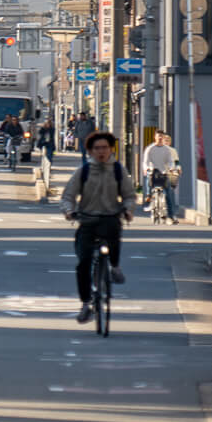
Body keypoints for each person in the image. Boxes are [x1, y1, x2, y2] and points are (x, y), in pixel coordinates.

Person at [60, 130, 136, 321]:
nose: (101, 152)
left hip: (110, 217)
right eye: (97, 148)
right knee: (83, 263)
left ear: (111, 149)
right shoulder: (83, 171)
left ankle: (115, 266)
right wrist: (69, 211)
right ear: (90, 151)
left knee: (113, 232)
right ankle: (86, 302)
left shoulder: (119, 170)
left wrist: (128, 209)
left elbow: (129, 196)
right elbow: (68, 196)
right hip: (87, 219)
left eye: (105, 148)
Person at [142, 131, 181, 223]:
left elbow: (171, 161)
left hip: (163, 173)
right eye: (158, 136)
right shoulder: (150, 149)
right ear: (155, 137)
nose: (160, 138)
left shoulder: (167, 150)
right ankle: (149, 196)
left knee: (168, 194)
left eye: (162, 137)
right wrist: (147, 168)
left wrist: (172, 168)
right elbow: (145, 161)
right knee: (149, 178)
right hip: (153, 172)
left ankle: (171, 216)